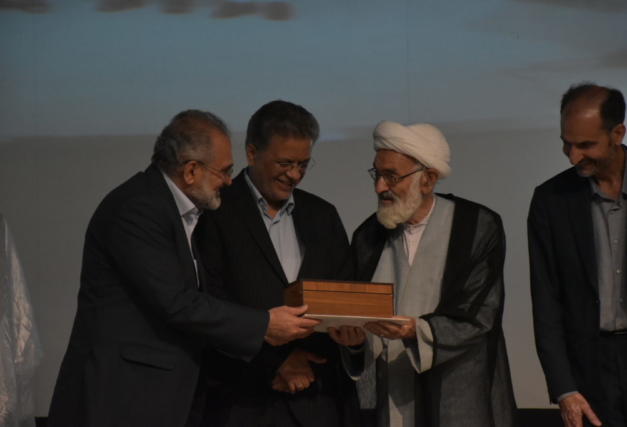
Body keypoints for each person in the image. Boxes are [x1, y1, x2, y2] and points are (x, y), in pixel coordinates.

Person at [47, 110, 319, 427]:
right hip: (120, 396)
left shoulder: (178, 211)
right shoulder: (138, 208)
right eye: (224, 171)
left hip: (158, 395)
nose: (229, 181)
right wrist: (264, 324)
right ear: (191, 170)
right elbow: (176, 302)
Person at [335, 120, 517, 427]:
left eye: (391, 176)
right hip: (395, 390)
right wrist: (354, 341)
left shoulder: (475, 227)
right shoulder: (368, 237)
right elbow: (362, 316)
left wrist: (413, 331)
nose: (380, 187)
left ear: (428, 179)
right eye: (377, 174)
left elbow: (480, 312)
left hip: (459, 392)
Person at [195, 100, 361, 427]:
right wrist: (275, 363)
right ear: (252, 153)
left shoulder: (323, 215)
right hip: (242, 402)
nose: (295, 174)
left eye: (303, 164)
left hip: (319, 401)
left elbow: (346, 292)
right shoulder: (214, 211)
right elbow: (206, 303)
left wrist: (354, 338)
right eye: (284, 163)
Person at [529, 82, 627, 427]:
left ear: (617, 134)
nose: (573, 157)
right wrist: (564, 389)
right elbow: (546, 301)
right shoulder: (550, 200)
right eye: (566, 144)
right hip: (589, 371)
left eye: (585, 145)